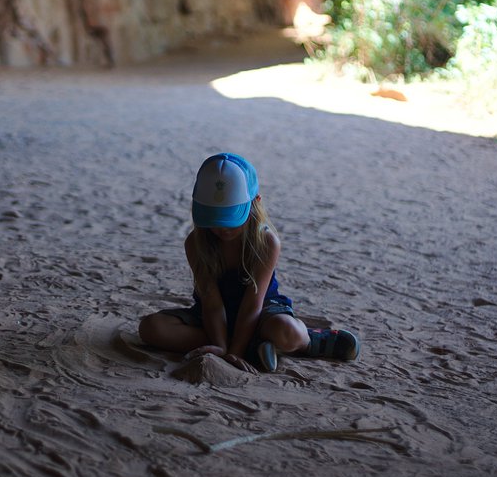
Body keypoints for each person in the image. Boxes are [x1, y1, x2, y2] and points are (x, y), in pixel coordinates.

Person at [138, 152, 360, 373]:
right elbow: (212, 303)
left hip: (262, 312)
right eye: (214, 218)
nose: (223, 228)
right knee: (151, 328)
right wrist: (223, 347)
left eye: (231, 218)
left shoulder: (267, 242)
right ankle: (255, 347)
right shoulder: (196, 243)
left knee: (287, 332)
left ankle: (311, 341)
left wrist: (234, 353)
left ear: (255, 203)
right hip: (212, 318)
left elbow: (252, 304)